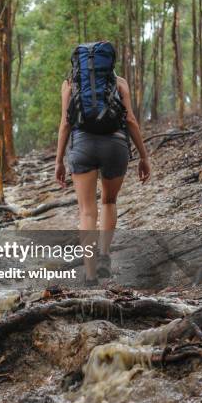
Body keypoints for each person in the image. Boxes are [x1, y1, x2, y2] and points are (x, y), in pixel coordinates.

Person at [55, 67, 150, 285]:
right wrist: (144, 156)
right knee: (109, 201)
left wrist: (59, 161)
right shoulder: (119, 81)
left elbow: (66, 122)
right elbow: (131, 120)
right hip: (115, 145)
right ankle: (104, 256)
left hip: (82, 146)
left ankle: (90, 277)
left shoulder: (69, 83)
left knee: (87, 211)